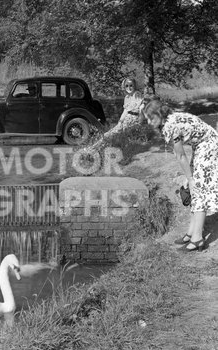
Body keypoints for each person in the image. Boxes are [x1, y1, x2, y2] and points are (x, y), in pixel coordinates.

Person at [142, 96, 218, 252]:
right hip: (203, 144)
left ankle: (197, 238)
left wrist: (190, 178)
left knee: (198, 189)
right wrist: (188, 177)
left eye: (151, 118)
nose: (149, 122)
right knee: (193, 187)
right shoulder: (169, 120)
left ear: (159, 113)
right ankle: (191, 233)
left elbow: (180, 155)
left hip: (209, 145)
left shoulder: (170, 126)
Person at [85, 78, 144, 152]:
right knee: (110, 135)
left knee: (111, 135)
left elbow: (141, 108)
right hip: (127, 120)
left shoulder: (137, 94)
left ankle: (93, 149)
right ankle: (95, 149)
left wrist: (140, 121)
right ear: (124, 87)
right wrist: (120, 122)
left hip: (133, 120)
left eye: (131, 85)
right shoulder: (127, 97)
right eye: (127, 86)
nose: (129, 87)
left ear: (135, 86)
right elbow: (125, 111)